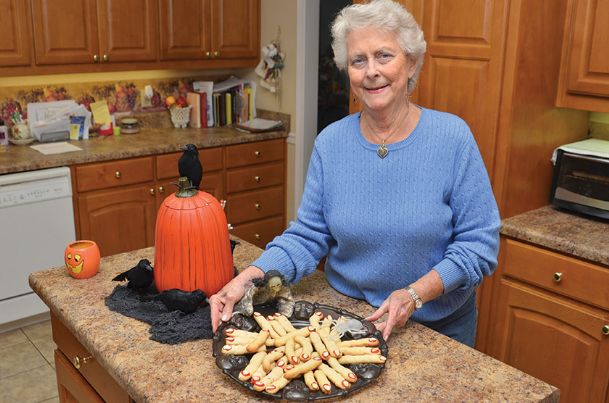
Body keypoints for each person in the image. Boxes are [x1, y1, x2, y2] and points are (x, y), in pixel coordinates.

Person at [210, 0, 500, 347]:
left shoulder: (453, 138)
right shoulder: (330, 142)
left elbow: (478, 246)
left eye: (383, 56)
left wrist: (413, 295)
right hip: (347, 321)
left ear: (411, 63)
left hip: (437, 328)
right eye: (358, 61)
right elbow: (307, 235)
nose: (371, 71)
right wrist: (250, 276)